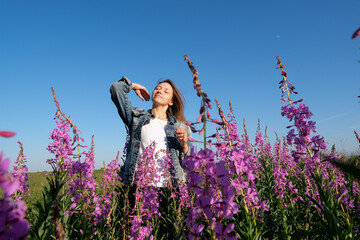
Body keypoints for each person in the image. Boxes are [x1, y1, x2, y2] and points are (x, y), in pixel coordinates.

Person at [110, 76, 192, 188]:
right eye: (157, 88)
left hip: (170, 190)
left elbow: (190, 164)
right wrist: (133, 86)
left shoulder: (182, 127)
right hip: (138, 187)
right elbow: (116, 88)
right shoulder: (137, 118)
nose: (160, 91)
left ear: (171, 101)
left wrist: (184, 145)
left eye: (166, 91)